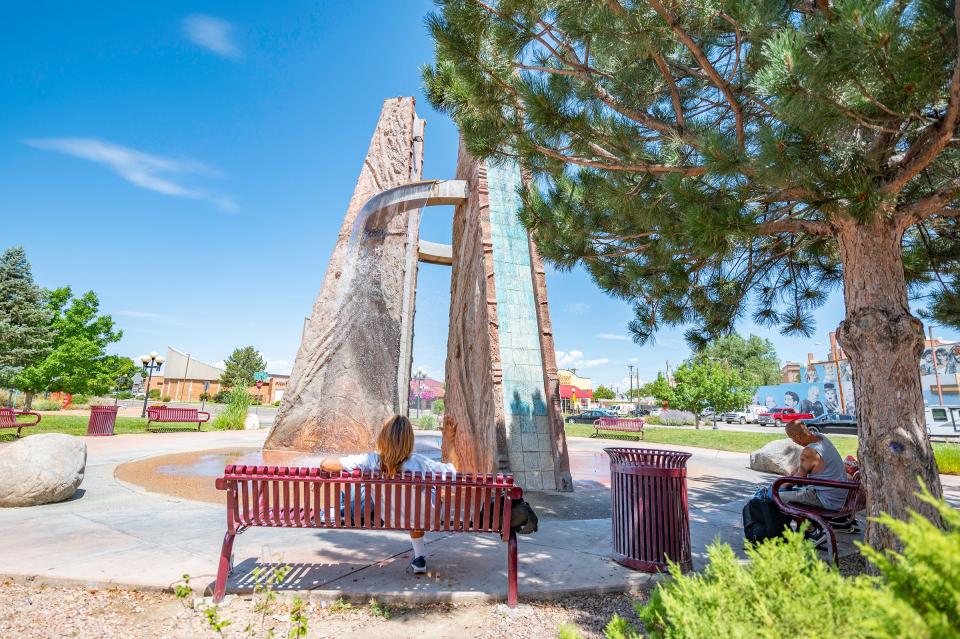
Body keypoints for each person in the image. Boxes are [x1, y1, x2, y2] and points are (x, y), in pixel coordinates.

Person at [320, 415, 456, 575]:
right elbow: (455, 473)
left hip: (391, 517)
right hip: (426, 517)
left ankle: (334, 511)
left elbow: (327, 464)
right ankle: (419, 557)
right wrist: (450, 441)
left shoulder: (371, 461)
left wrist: (323, 463)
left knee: (364, 491)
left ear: (383, 438)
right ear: (409, 440)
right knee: (419, 499)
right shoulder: (422, 463)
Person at [776, 421, 858, 544]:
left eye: (793, 439)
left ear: (798, 437)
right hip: (840, 495)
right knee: (786, 493)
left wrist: (776, 488)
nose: (794, 442)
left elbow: (796, 480)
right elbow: (800, 470)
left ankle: (814, 533)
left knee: (777, 498)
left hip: (827, 500)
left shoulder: (809, 452)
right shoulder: (821, 438)